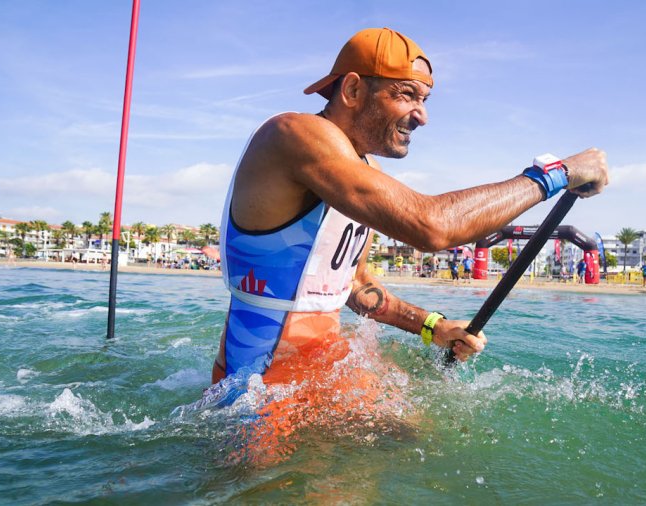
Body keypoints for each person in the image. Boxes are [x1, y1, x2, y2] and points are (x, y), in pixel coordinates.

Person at [210, 27, 608, 396]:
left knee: (412, 440)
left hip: (323, 376)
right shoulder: (294, 134)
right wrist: (557, 174)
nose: (422, 116)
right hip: (257, 393)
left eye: (424, 100)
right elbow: (431, 226)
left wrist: (433, 327)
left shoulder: (364, 170)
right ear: (351, 90)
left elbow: (355, 284)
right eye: (406, 95)